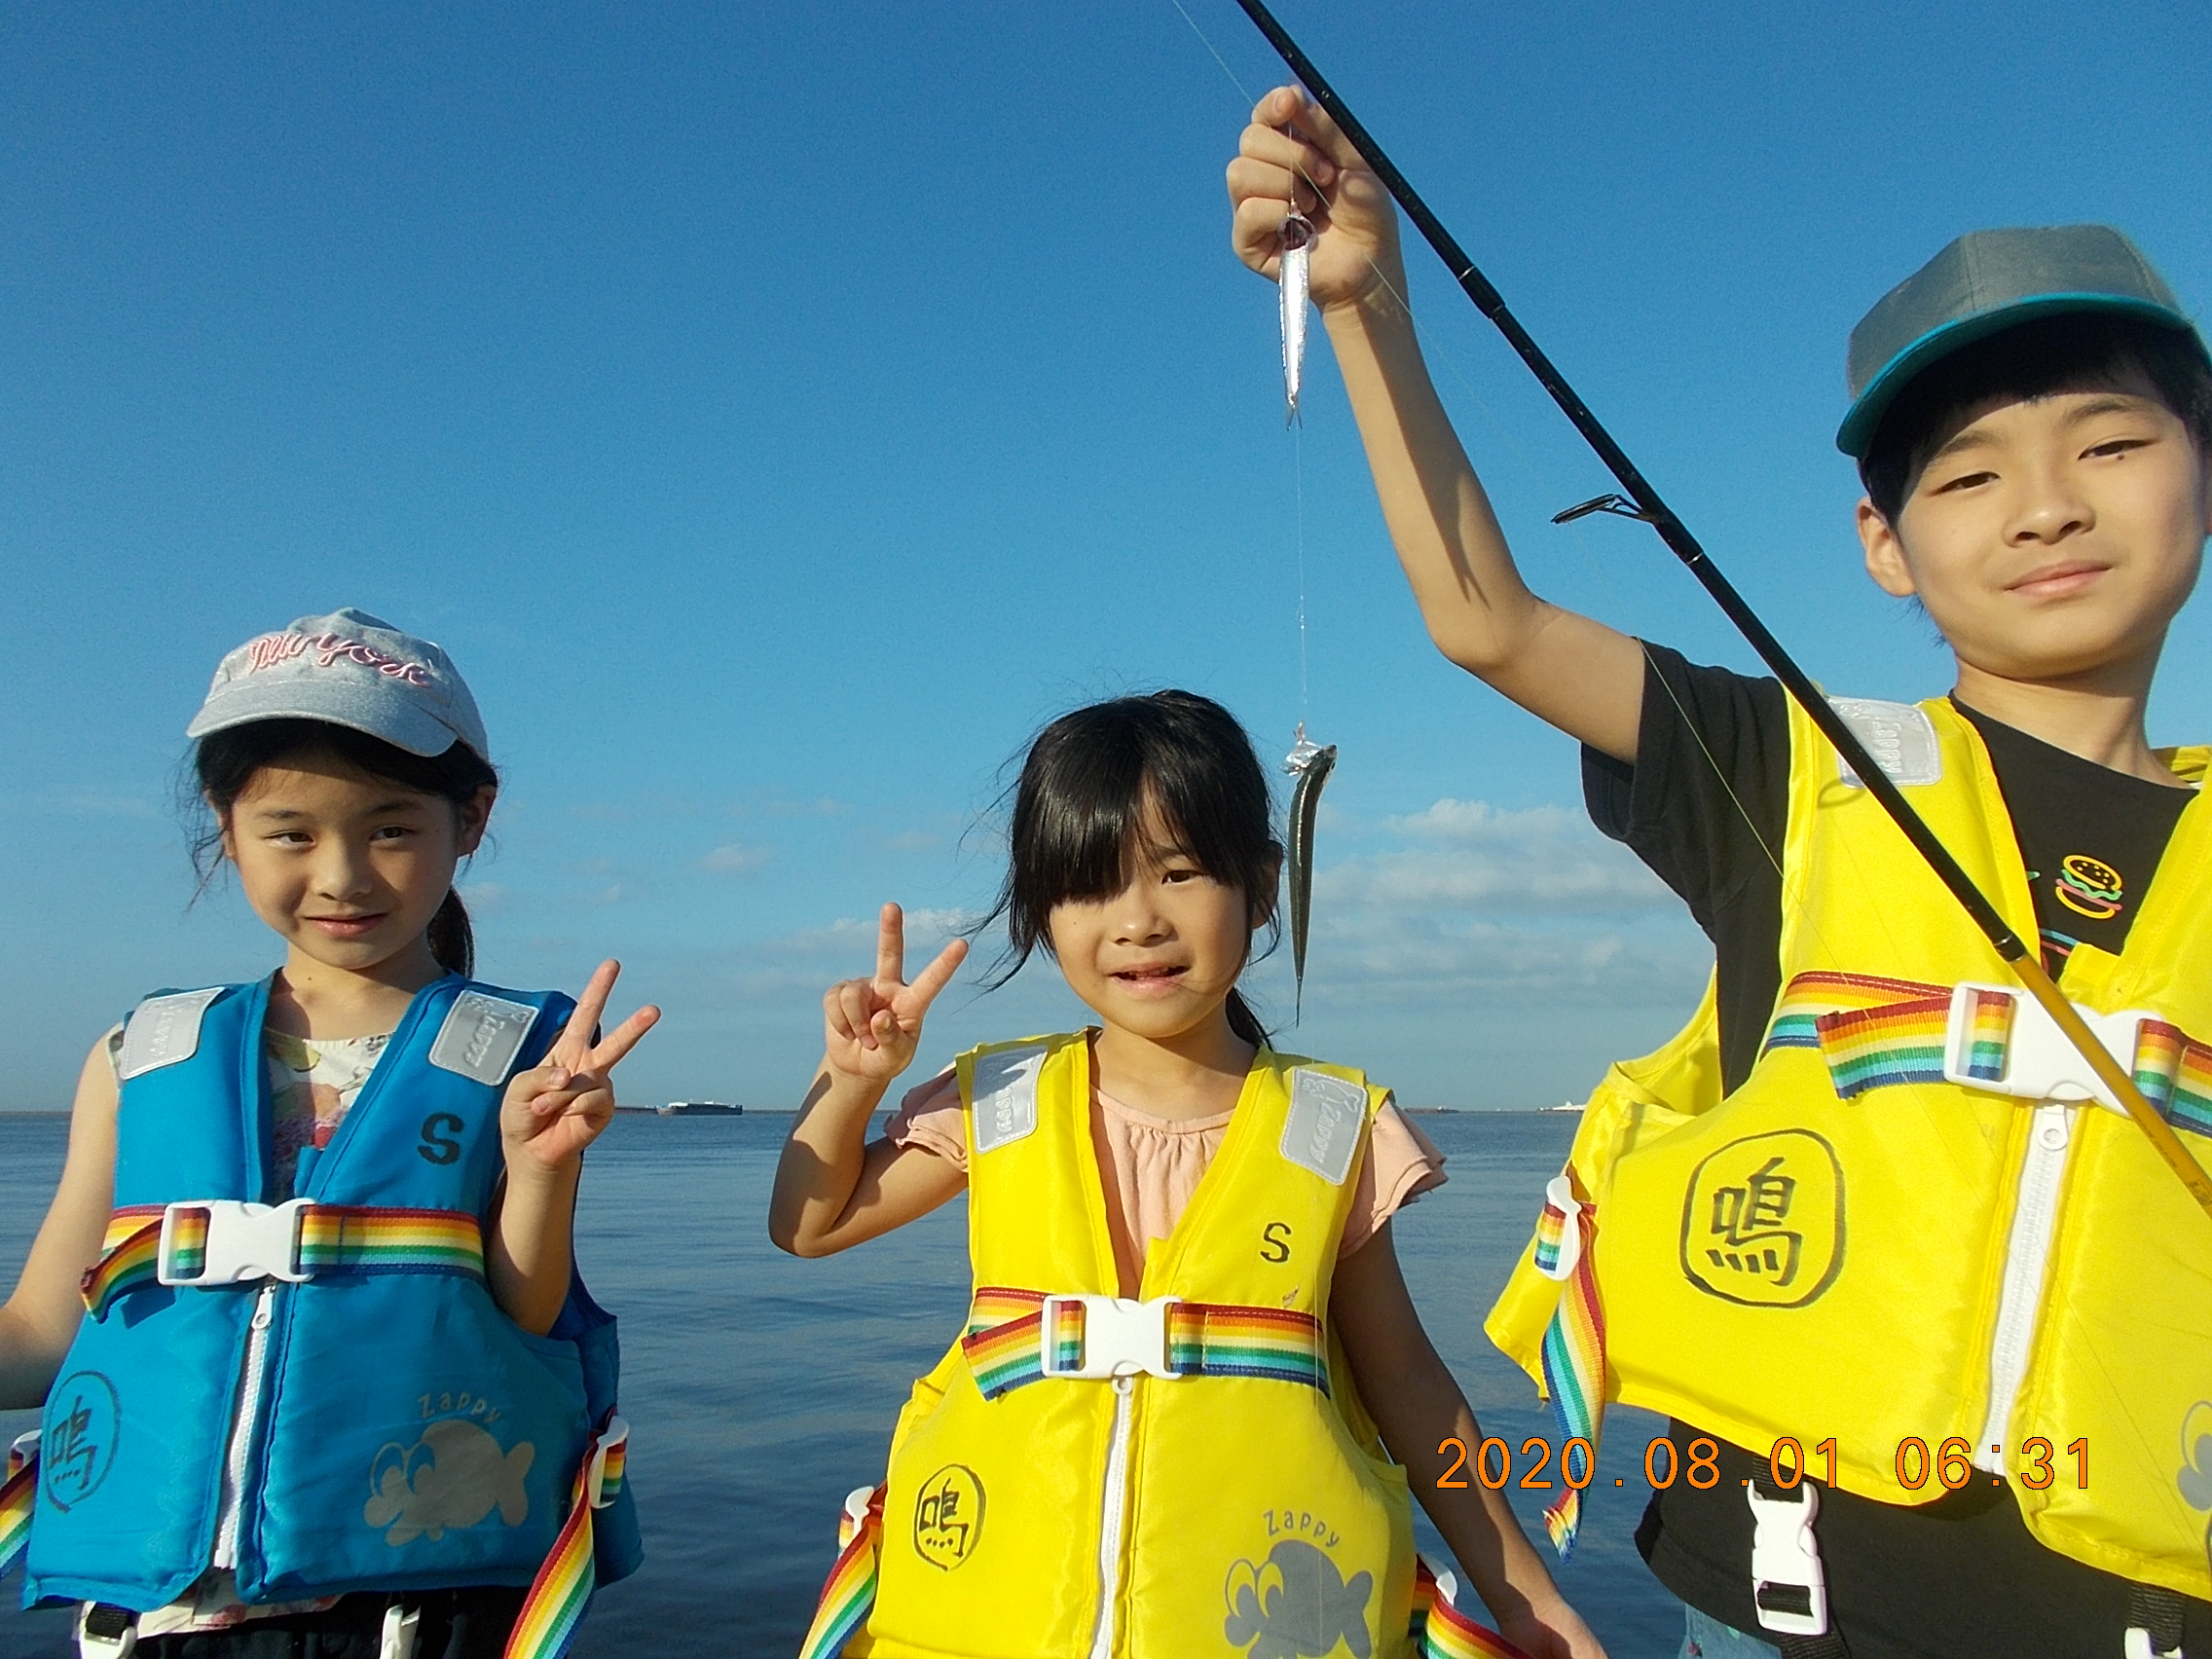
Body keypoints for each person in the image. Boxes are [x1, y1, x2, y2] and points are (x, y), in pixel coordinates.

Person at [1227, 88, 2212, 1659]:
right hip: (1776, 1602)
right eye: (1967, 477)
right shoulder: (1788, 767)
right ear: (1882, 543)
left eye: (2109, 443)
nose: (2045, 505)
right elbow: (1487, 619)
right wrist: (1361, 307)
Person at [769, 690, 1605, 1659]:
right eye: (1091, 886)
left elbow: (1409, 1382)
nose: (1138, 922)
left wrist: (1528, 1602)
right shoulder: (999, 1103)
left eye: (1178, 874)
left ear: (1261, 886)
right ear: (1041, 912)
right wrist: (851, 1082)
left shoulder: (1329, 1131)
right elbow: (809, 1223)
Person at [0, 609, 657, 1659]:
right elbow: (41, 1335)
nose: (343, 875)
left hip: (419, 1613)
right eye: (291, 833)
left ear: (471, 819)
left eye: (390, 830)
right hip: (157, 1623)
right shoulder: (140, 1055)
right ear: (226, 827)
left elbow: (522, 1314)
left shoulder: (523, 1054)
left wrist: (539, 1168)